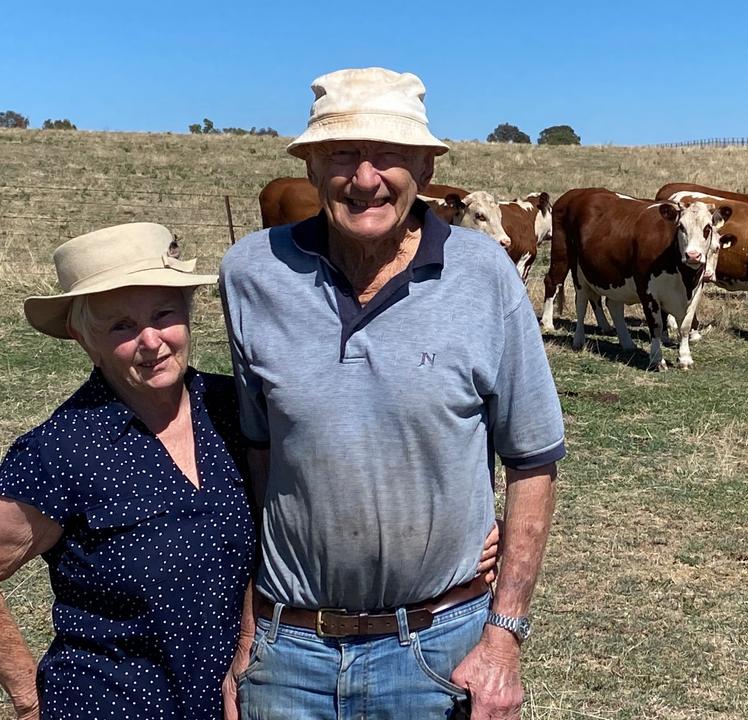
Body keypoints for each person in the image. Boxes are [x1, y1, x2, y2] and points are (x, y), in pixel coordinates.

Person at [219, 67, 564, 720]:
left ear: (426, 169)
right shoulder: (251, 274)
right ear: (312, 167)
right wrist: (248, 634)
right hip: (288, 652)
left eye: (390, 155)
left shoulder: (484, 275)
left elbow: (533, 462)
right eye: (343, 153)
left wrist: (504, 636)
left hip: (437, 649)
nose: (366, 176)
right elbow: (263, 459)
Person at [0, 223, 254, 720]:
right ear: (82, 337)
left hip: (237, 698)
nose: (151, 341)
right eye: (121, 326)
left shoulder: (235, 410)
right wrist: (28, 697)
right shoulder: (61, 450)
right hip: (110, 703)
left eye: (164, 314)